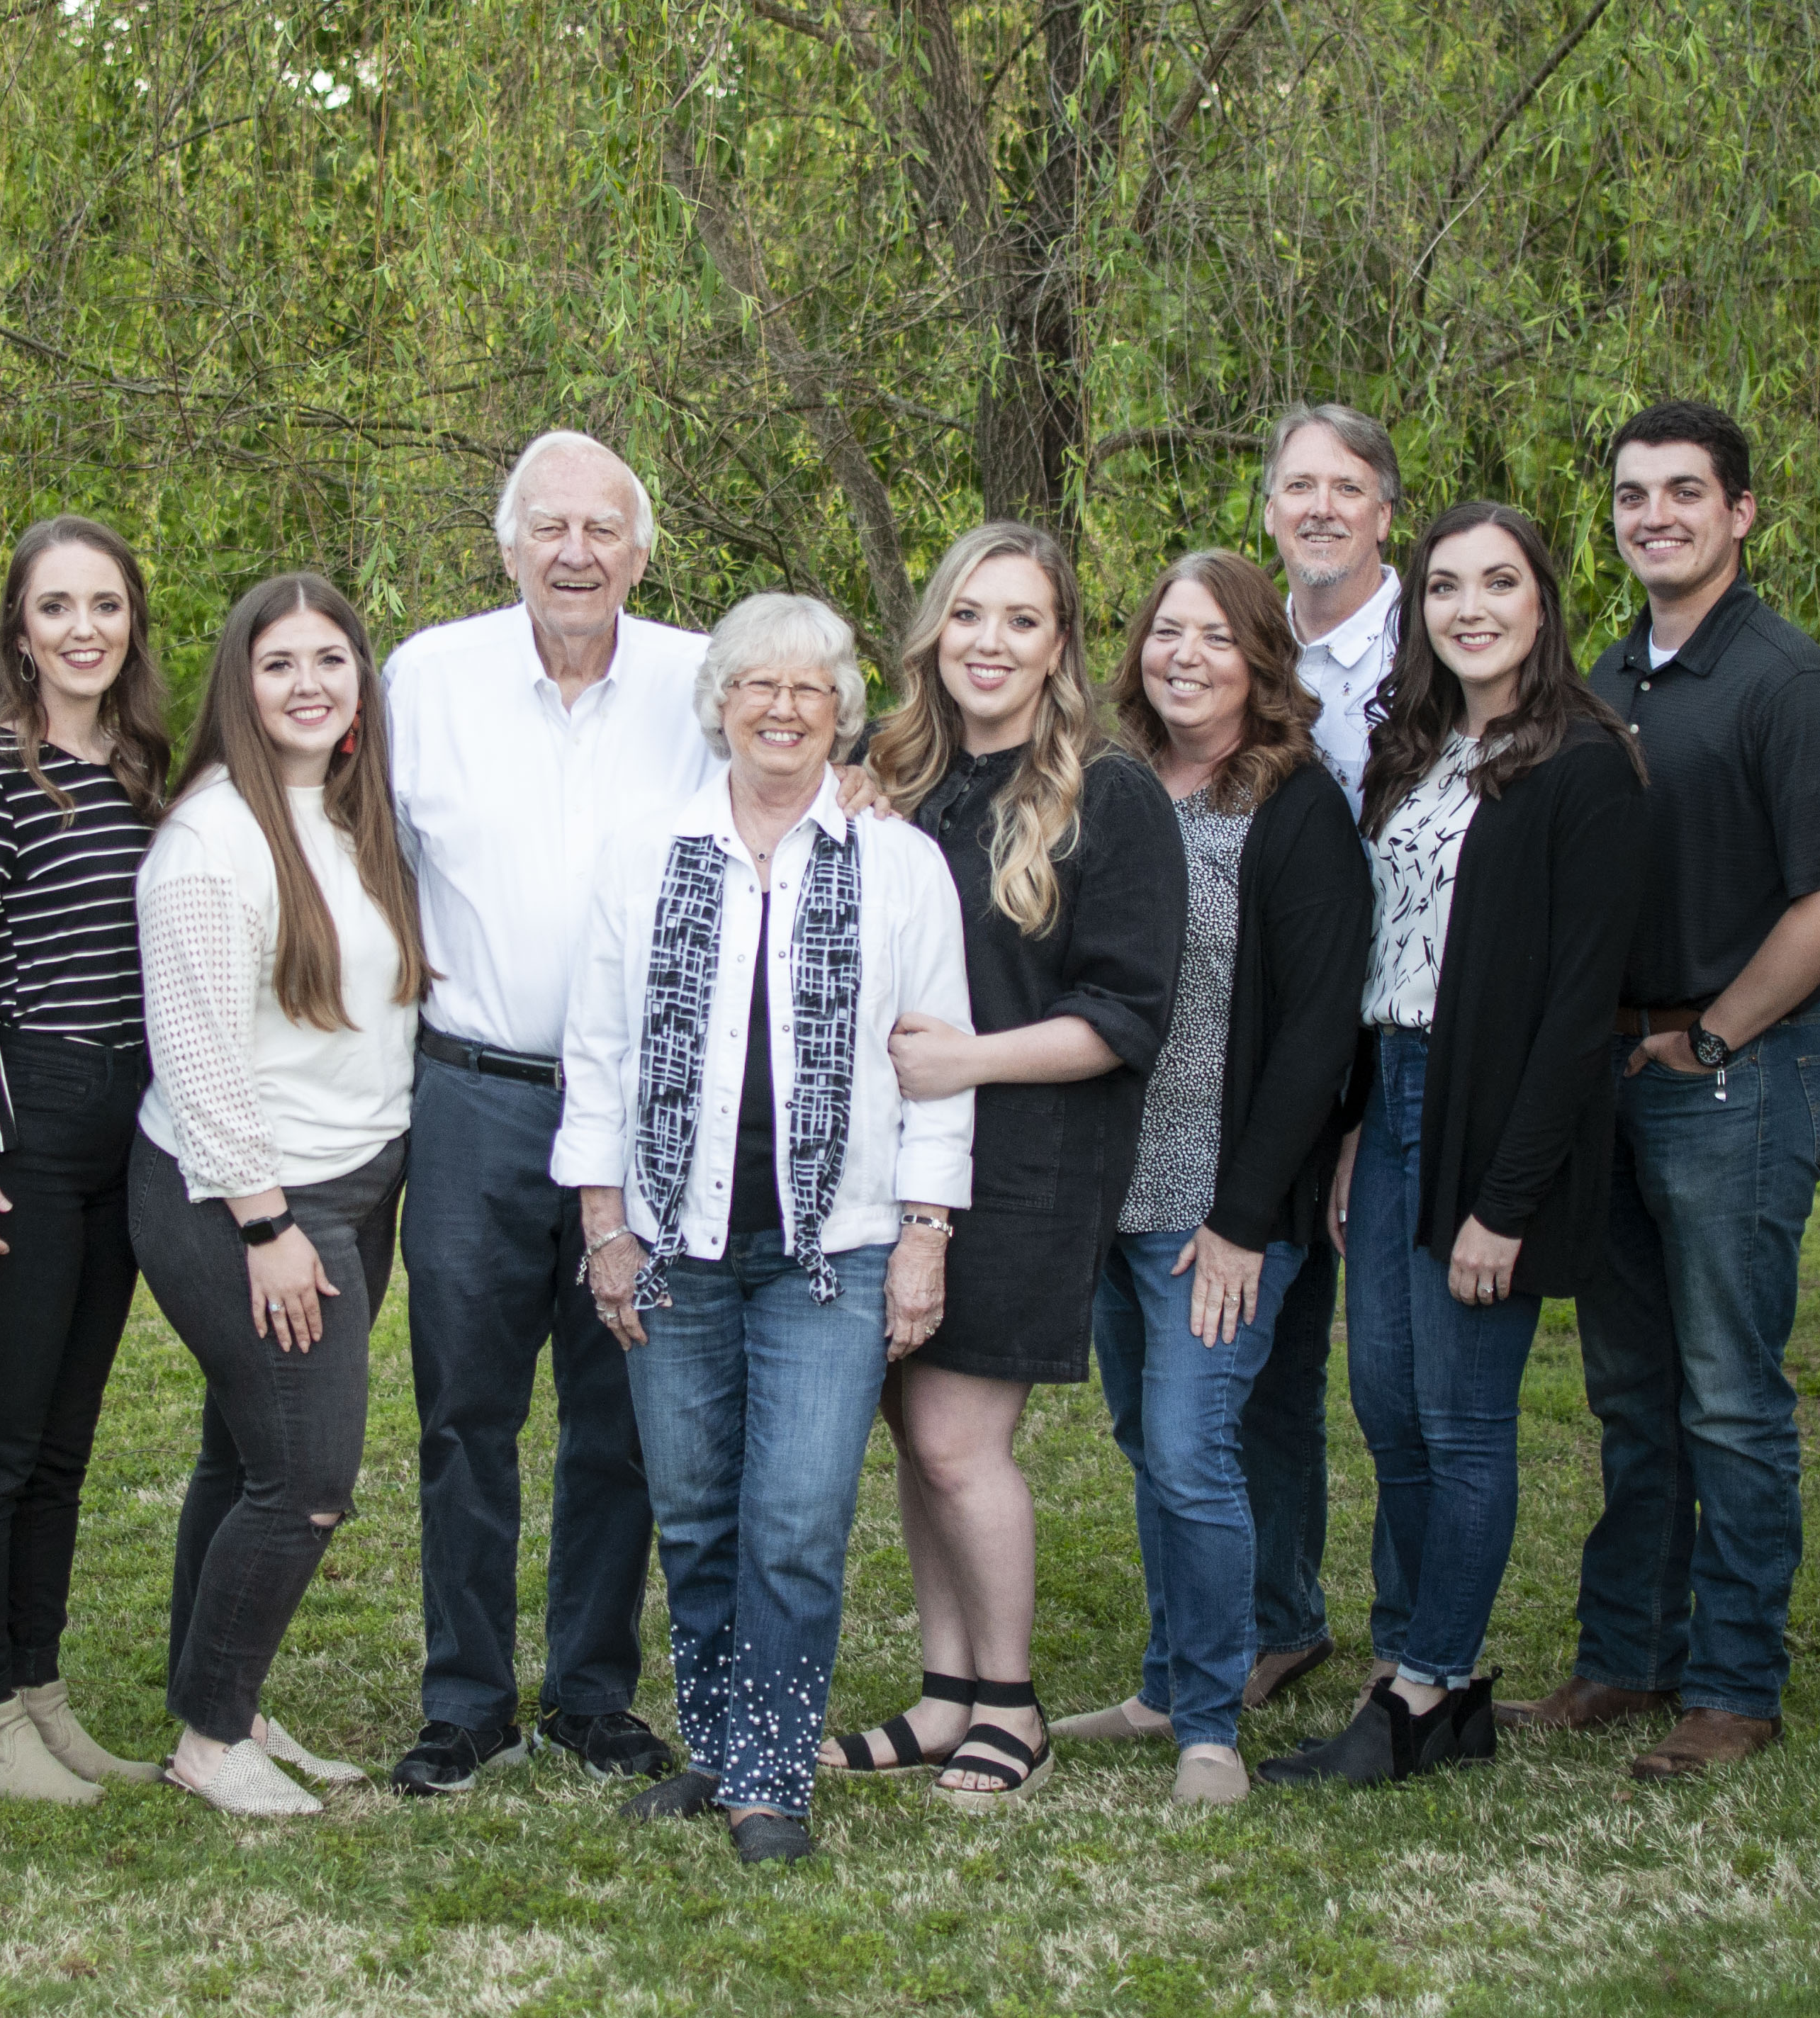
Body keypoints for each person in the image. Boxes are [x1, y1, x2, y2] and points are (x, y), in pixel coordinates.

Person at [556, 592, 974, 1865]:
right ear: (720, 704)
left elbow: (936, 1058)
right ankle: (725, 1745)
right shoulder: (648, 852)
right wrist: (606, 1228)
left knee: (793, 1516)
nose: (784, 708)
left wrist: (923, 1234)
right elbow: (600, 1055)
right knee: (691, 1514)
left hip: (830, 1250)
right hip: (673, 1243)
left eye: (810, 688)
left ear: (842, 710)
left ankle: (771, 1781)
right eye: (758, 685)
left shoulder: (891, 859)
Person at [1502, 402, 1820, 1780]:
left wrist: (1712, 1035)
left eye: (1681, 492)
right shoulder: (1612, 673)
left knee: (1728, 1396)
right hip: (1618, 1072)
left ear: (1739, 513)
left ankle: (1732, 1682)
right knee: (1631, 1390)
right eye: (1628, 494)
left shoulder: (1783, 681)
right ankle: (1625, 1656)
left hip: (1741, 1077)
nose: (1650, 513)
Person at [1257, 502, 1647, 1787]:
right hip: (1399, 1103)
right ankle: (1443, 1678)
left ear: (1544, 601)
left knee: (1465, 1422)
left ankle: (1420, 1690)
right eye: (1443, 587)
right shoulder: (1413, 752)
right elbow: (1386, 961)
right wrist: (1366, 1124)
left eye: (1499, 583)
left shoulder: (1586, 764)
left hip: (1495, 1120)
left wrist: (1506, 1199)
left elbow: (1579, 1012)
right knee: (1388, 1410)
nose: (1469, 607)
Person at [819, 522, 1184, 1806]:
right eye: (970, 615)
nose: (991, 643)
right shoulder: (887, 771)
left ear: (1060, 647)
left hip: (1029, 1162)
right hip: (888, 1162)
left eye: (1021, 621)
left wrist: (969, 1061)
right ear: (935, 630)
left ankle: (1011, 1704)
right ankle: (944, 1693)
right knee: (913, 1438)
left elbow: (1128, 1017)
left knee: (961, 1439)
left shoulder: (1109, 794)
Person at [376, 432, 714, 1794]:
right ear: (508, 545)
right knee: (465, 1408)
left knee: (621, 1406)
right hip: (476, 1097)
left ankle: (588, 1689)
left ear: (641, 551)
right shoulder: (426, 677)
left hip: (646, 1111)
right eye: (551, 529)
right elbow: (363, 860)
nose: (578, 554)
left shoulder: (703, 680)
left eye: (605, 530)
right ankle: (464, 1696)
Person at [1045, 552, 1369, 1808]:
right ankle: (1169, 1683)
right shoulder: (1104, 786)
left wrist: (1244, 1224)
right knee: (1147, 1437)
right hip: (1109, 1187)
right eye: (1167, 634)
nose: (1186, 656)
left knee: (1191, 1447)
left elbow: (1315, 1037)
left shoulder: (1294, 807)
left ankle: (1212, 1727)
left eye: (1216, 640)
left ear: (1259, 664)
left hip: (1218, 1202)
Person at [130, 573, 432, 1815]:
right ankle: (209, 1740)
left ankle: (223, 1698)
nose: (309, 683)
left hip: (359, 1181)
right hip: (246, 1196)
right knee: (307, 1476)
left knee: (242, 1455)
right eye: (278, 664)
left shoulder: (359, 816)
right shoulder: (214, 840)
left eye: (330, 659)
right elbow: (195, 1051)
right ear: (239, 689)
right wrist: (265, 1226)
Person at [0, 517, 172, 1804]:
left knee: (65, 1443)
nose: (82, 629)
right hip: (20, 1121)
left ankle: (41, 1692)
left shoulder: (146, 770)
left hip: (126, 1128)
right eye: (55, 606)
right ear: (16, 628)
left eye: (105, 606)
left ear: (131, 627)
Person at [1242, 400, 1406, 1710]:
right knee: (1267, 1359)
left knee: (1400, 1373)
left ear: (1383, 511)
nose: (1320, 508)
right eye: (1299, 486)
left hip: (1410, 1046)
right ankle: (1279, 1614)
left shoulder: (1441, 642)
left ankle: (1415, 1641)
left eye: (1345, 488)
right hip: (1279, 1048)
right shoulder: (1247, 649)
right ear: (1271, 508)